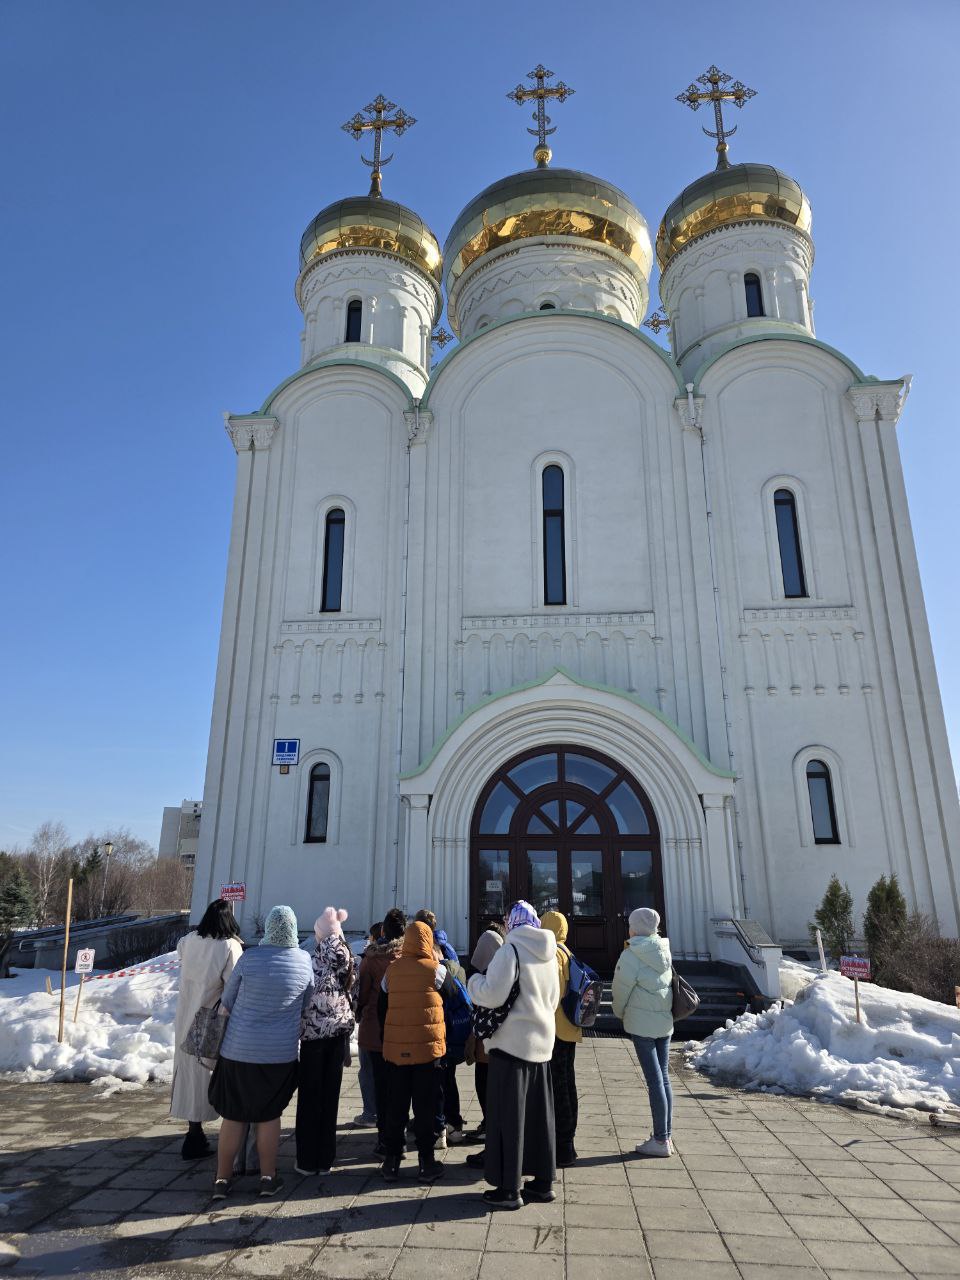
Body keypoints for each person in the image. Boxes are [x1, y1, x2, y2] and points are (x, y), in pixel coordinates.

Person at [208, 905, 314, 1199]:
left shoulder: (249, 958)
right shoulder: (304, 961)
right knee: (269, 1116)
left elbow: (227, 1001)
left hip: (238, 1051)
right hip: (279, 1055)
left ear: (268, 928)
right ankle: (268, 1178)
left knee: (233, 1116)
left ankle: (222, 1180)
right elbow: (306, 1003)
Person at [467, 901, 559, 1211]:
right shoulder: (549, 952)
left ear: (511, 922)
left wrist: (474, 982)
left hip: (511, 1044)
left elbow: (493, 994)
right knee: (538, 1117)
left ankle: (508, 1189)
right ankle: (543, 1182)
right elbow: (554, 998)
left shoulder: (510, 950)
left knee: (508, 1118)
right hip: (542, 1045)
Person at [379, 919, 457, 1183]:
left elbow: (381, 1007)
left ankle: (391, 1161)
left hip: (396, 1051)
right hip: (428, 1050)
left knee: (396, 1105)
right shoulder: (436, 970)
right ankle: (426, 1161)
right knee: (425, 1107)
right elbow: (453, 995)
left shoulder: (391, 971)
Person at [170, 899, 243, 1159]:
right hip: (212, 1018)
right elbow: (234, 983)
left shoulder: (188, 940)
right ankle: (222, 1134)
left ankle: (194, 1130)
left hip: (185, 1014)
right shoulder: (229, 946)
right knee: (211, 1073)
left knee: (189, 1073)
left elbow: (181, 955)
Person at [295, 907, 355, 1174]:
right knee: (331, 1096)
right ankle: (326, 1158)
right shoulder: (349, 959)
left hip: (313, 1035)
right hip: (338, 1034)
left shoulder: (310, 961)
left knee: (310, 1097)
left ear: (319, 934)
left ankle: (307, 1160)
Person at [611, 906, 674, 1157]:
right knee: (664, 1079)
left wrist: (619, 1012)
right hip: (664, 1022)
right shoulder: (663, 950)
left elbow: (620, 989)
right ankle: (666, 1135)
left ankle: (660, 1140)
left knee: (655, 1081)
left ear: (635, 929)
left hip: (642, 1024)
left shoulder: (631, 955)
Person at [356, 907, 405, 1155]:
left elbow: (363, 995)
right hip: (402, 1029)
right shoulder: (408, 956)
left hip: (375, 1029)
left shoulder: (372, 959)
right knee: (400, 1087)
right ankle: (399, 1136)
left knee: (379, 1084)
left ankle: (385, 1139)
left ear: (383, 930)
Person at [540, 910, 581, 1167]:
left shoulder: (553, 954)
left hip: (555, 1029)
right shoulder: (568, 952)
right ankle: (568, 1141)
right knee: (567, 1082)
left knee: (558, 1087)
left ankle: (563, 1145)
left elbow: (551, 993)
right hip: (569, 1028)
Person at [464, 925, 503, 1144]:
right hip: (500, 1040)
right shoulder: (507, 968)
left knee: (485, 1082)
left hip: (487, 1038)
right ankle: (491, 1124)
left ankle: (490, 1125)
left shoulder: (486, 975)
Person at [433, 926, 467, 1145]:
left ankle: (441, 1127)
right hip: (456, 1034)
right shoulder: (457, 966)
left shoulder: (438, 970)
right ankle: (455, 1125)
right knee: (450, 1081)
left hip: (440, 1033)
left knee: (438, 1083)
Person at [353, 921, 382, 1128]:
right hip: (395, 1025)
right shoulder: (402, 957)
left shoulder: (369, 961)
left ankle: (370, 1113)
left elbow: (361, 994)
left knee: (368, 1070)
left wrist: (358, 1012)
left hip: (371, 1023)